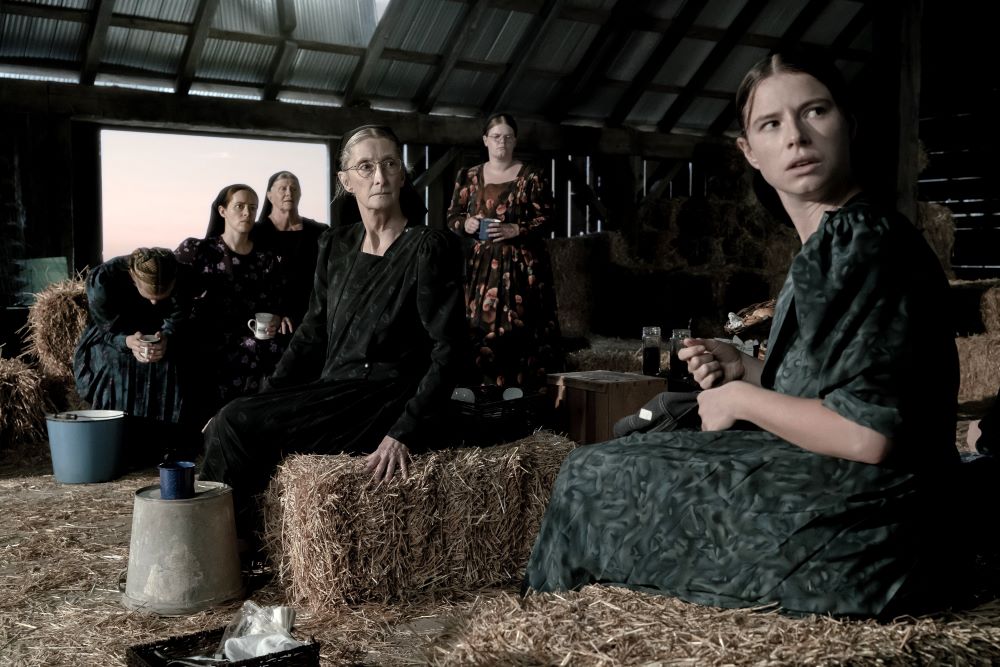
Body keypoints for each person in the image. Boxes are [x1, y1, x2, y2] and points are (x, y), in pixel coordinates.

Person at [523, 51, 963, 619]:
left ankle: (559, 623)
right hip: (891, 509)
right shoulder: (838, 237)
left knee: (590, 474)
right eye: (771, 124)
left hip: (875, 526)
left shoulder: (859, 241)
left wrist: (739, 397)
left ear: (847, 124)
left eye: (815, 112)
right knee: (640, 440)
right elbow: (832, 385)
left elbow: (866, 434)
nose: (797, 137)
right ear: (749, 151)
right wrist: (742, 367)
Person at [200, 125, 467, 542]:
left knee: (236, 422)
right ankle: (232, 547)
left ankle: (219, 551)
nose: (379, 176)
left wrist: (404, 431)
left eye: (389, 164)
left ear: (401, 175)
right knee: (232, 417)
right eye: (366, 167)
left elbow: (450, 348)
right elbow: (312, 333)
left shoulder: (428, 246)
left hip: (384, 398)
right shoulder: (335, 245)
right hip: (335, 390)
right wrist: (265, 395)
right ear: (346, 181)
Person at [447, 113, 562, 391]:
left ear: (515, 141)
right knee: (479, 330)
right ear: (486, 140)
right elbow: (452, 216)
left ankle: (525, 400)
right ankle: (484, 398)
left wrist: (516, 229)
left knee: (521, 331)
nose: (502, 141)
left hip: (522, 270)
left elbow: (550, 219)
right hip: (480, 272)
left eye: (508, 136)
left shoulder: (531, 176)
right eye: (496, 136)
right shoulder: (469, 176)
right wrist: (467, 223)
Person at [175, 184, 293, 419]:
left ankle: (258, 425)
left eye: (252, 208)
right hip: (206, 335)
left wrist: (279, 317)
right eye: (239, 206)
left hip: (251, 337)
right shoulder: (197, 250)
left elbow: (277, 303)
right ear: (222, 211)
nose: (247, 213)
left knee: (282, 349)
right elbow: (166, 285)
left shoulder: (266, 260)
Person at [73, 247, 199, 463]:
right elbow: (106, 326)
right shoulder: (104, 279)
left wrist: (167, 337)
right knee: (117, 364)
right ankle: (119, 443)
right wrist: (128, 342)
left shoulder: (182, 275)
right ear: (133, 277)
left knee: (176, 362)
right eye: (149, 296)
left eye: (162, 297)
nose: (154, 303)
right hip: (111, 335)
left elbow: (178, 317)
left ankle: (168, 444)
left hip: (160, 332)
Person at [253, 171, 328, 326]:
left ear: (300, 194)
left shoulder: (320, 231)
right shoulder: (255, 233)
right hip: (269, 320)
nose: (289, 193)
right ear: (269, 196)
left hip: (313, 317)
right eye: (283, 189)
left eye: (294, 189)